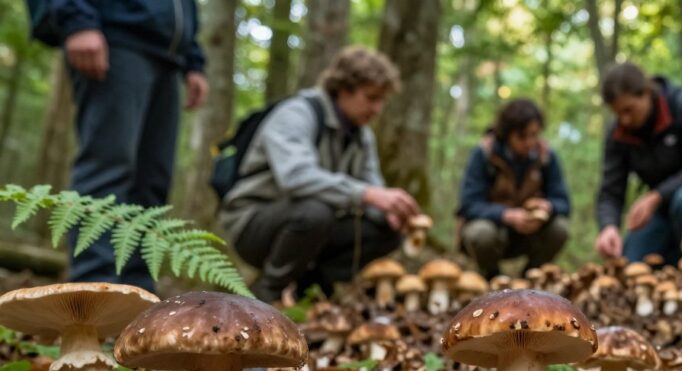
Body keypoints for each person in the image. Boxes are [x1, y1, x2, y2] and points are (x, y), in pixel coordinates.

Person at [219, 46, 420, 303]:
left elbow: (373, 189)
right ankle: (264, 297)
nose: (378, 108)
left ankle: (311, 293)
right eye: (371, 98)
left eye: (382, 100)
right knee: (314, 211)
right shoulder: (296, 113)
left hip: (314, 229)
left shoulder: (362, 136)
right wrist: (367, 194)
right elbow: (296, 177)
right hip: (253, 223)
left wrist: (391, 213)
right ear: (344, 89)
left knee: (385, 229)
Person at [55, 0, 208, 291]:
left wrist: (194, 60)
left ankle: (137, 297)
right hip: (115, 38)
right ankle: (92, 292)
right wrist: (76, 19)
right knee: (108, 166)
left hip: (169, 59)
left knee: (153, 181)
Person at [594, 62, 682, 266]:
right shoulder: (618, 132)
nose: (624, 120)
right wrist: (608, 226)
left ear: (646, 93)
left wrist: (657, 195)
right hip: (658, 212)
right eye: (618, 114)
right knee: (631, 265)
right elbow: (611, 188)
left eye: (629, 110)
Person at [457, 99, 570, 279]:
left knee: (560, 228)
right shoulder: (485, 155)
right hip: (495, 233)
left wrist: (547, 207)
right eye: (522, 136)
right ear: (507, 134)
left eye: (534, 135)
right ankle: (491, 278)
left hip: (530, 236)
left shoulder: (546, 157)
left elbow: (563, 203)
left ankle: (530, 280)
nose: (529, 142)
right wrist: (506, 215)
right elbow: (468, 205)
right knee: (481, 232)